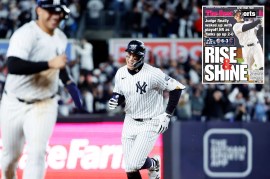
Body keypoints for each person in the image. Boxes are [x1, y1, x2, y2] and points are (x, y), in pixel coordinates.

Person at [0, 0, 83, 179]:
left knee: (37, 154)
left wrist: (68, 82)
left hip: (44, 103)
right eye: (50, 11)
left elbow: (58, 64)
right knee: (9, 159)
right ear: (38, 10)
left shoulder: (60, 37)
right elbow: (13, 65)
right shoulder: (26, 34)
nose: (55, 16)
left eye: (58, 12)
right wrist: (49, 64)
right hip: (14, 102)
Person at [108, 40, 185, 179]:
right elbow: (119, 93)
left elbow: (177, 88)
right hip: (130, 120)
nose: (131, 58)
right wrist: (115, 99)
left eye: (135, 56)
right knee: (130, 167)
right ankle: (153, 164)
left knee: (134, 163)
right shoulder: (120, 72)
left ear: (141, 57)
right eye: (129, 54)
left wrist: (167, 115)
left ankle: (153, 163)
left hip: (150, 122)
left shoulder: (153, 73)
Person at [232, 10, 264, 76]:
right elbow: (246, 27)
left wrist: (262, 25)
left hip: (256, 46)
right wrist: (258, 21)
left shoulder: (249, 22)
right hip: (246, 49)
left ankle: (260, 82)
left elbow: (258, 34)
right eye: (236, 15)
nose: (238, 15)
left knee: (261, 66)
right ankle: (255, 82)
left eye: (239, 13)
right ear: (235, 17)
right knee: (248, 70)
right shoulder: (235, 26)